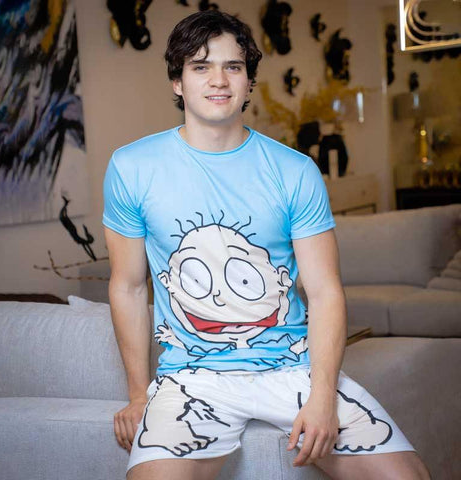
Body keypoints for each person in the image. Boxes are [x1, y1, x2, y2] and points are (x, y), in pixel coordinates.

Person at [103, 10, 430, 480]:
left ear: (249, 81)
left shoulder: (295, 171)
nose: (218, 80)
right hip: (191, 378)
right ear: (177, 81)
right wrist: (138, 395)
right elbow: (129, 287)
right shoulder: (132, 167)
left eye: (233, 67)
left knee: (407, 476)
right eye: (201, 67)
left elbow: (325, 291)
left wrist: (322, 398)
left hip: (292, 368)